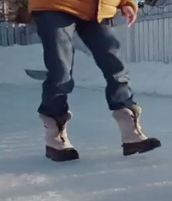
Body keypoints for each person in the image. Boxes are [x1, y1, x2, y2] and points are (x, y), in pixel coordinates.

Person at [28, 0, 161, 162]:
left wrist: (126, 2)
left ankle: (130, 132)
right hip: (56, 5)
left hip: (98, 8)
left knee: (115, 67)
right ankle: (54, 135)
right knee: (60, 72)